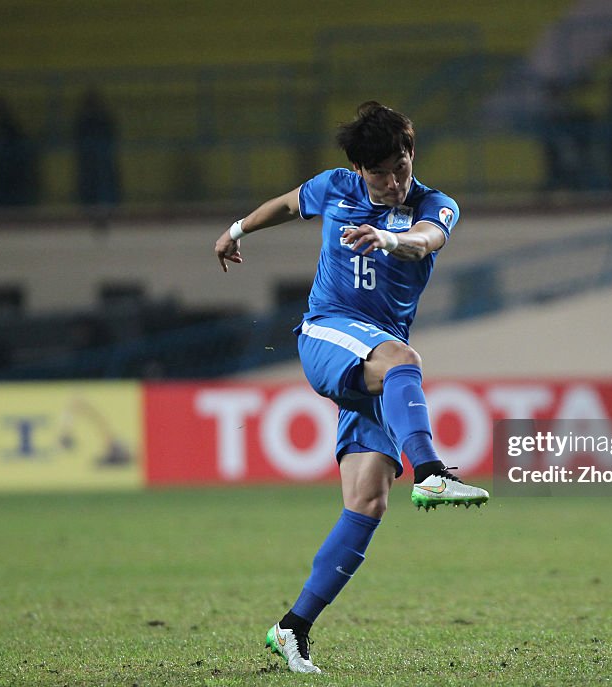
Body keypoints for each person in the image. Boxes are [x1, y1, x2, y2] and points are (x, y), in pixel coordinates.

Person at [214, 101, 489, 674]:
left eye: (402, 165)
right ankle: (433, 473)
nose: (394, 181)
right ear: (359, 170)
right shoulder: (334, 188)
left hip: (373, 358)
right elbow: (290, 204)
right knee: (403, 359)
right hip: (327, 333)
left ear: (412, 155)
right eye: (381, 172)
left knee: (367, 501)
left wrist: (390, 241)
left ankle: (292, 628)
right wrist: (238, 229)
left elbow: (426, 240)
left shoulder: (435, 204)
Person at [73, 88, 121, 210]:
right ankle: (90, 206)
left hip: (100, 154)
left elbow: (111, 133)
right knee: (91, 180)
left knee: (103, 178)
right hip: (89, 155)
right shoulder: (84, 119)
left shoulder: (103, 118)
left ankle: (106, 206)